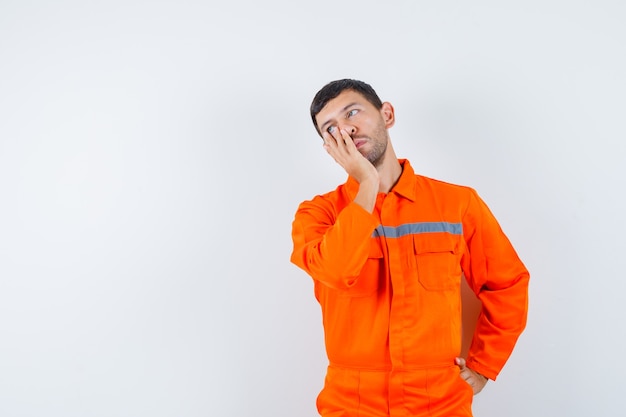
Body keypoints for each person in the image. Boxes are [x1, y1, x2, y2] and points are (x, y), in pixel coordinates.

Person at [290, 79, 530, 417]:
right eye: (330, 128)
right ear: (329, 147)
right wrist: (368, 185)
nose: (345, 129)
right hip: (353, 403)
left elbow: (507, 283)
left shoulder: (457, 204)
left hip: (439, 401)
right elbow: (336, 270)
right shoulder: (318, 214)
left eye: (352, 112)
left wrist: (483, 365)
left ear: (387, 114)